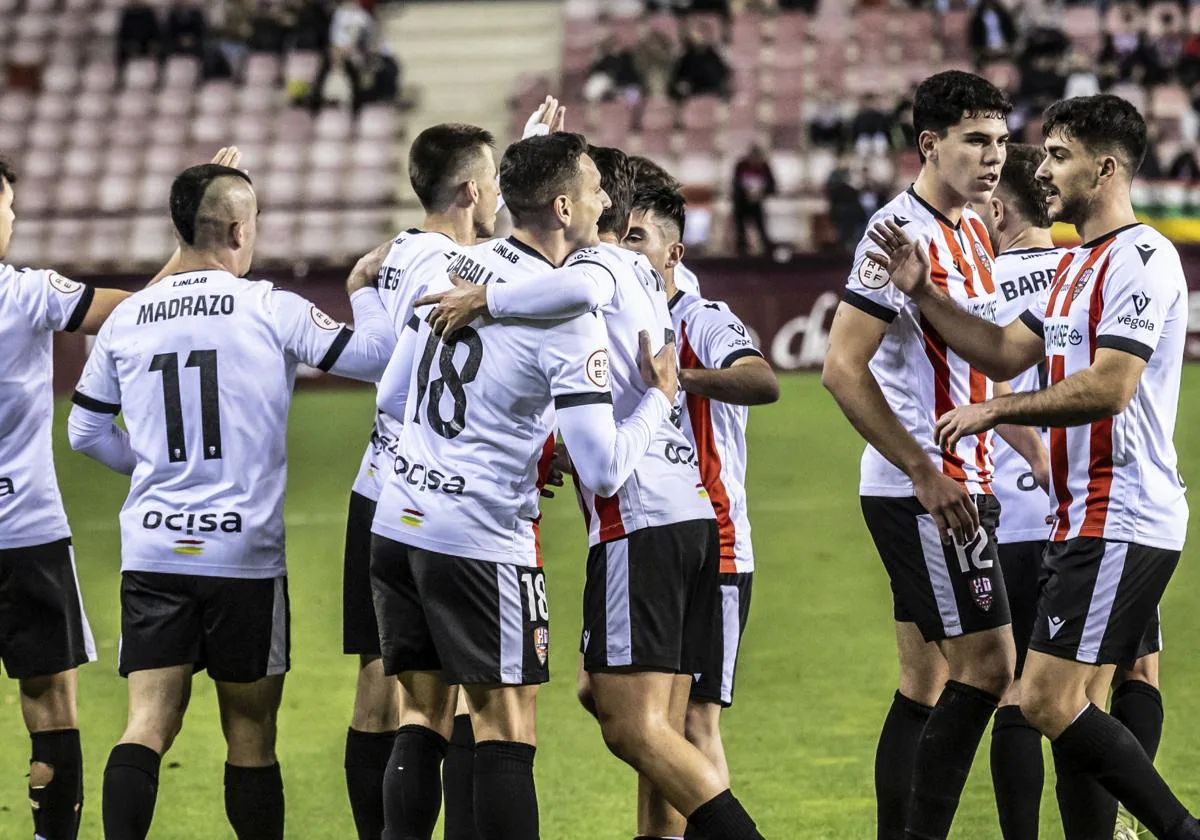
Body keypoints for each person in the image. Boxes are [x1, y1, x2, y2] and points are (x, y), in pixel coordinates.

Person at [864, 93, 1200, 840]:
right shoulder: (1073, 266)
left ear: (1105, 167)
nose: (1039, 170)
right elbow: (1002, 352)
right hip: (1080, 514)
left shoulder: (1142, 258)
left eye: (1058, 155)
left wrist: (998, 412)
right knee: (1070, 700)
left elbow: (1112, 384)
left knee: (1045, 699)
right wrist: (922, 293)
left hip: (1125, 509)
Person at [418, 145, 762, 840]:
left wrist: (488, 296)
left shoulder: (596, 265)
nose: (594, 199)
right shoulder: (640, 271)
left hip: (638, 520)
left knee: (632, 728)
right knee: (652, 725)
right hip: (682, 514)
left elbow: (575, 299)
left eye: (601, 190)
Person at [68, 160, 398, 840]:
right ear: (240, 228)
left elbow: (84, 430)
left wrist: (148, 473)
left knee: (146, 724)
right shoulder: (269, 307)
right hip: (241, 556)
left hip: (155, 546)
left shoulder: (130, 317)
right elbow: (375, 357)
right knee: (250, 735)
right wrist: (362, 288)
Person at [367, 131, 679, 840]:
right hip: (478, 536)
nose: (605, 201)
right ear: (565, 207)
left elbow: (391, 396)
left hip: (398, 517)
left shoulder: (453, 267)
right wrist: (659, 397)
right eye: (597, 188)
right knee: (507, 729)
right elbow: (602, 469)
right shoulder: (568, 317)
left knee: (422, 715)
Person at [821, 70, 1041, 840]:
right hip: (924, 493)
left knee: (926, 681)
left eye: (1002, 141)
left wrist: (1028, 445)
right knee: (993, 668)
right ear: (930, 144)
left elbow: (976, 370)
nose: (993, 157)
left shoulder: (974, 231)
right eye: (976, 140)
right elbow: (841, 370)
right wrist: (923, 470)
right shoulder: (896, 233)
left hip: (959, 482)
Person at [340, 121, 500, 840]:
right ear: (471, 190)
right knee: (464, 695)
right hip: (437, 493)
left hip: (373, 489)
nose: (499, 192)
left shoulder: (401, 251)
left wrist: (357, 288)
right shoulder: (466, 272)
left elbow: (377, 351)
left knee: (380, 685)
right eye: (494, 180)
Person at [623, 182, 780, 838]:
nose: (625, 248)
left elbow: (762, 380)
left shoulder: (701, 317)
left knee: (691, 722)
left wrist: (677, 377)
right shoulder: (623, 314)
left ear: (672, 252)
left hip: (715, 543)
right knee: (642, 714)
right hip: (656, 538)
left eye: (637, 237)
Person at [0, 158, 131, 840]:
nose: (13, 218)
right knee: (51, 703)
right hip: (25, 533)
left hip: (29, 534)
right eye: (8, 206)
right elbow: (135, 310)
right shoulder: (24, 294)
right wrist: (192, 249)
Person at [976, 142, 1060, 840]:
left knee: (1015, 690)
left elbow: (987, 394)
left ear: (999, 206)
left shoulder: (982, 285)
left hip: (1008, 518)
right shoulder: (1087, 271)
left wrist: (1036, 460)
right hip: (1099, 511)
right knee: (1118, 679)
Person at [309, 0, 376, 117]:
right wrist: (336, 51)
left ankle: (356, 108)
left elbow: (364, 41)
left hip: (354, 54)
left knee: (356, 70)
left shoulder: (362, 17)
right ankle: (317, 106)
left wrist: (348, 50)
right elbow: (333, 37)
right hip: (337, 52)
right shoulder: (338, 13)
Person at [731, 146, 776, 257]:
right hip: (741, 202)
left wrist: (761, 194)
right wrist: (746, 194)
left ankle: (766, 249)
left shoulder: (765, 167)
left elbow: (772, 186)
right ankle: (742, 249)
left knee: (760, 224)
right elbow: (735, 184)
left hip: (757, 203)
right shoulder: (741, 166)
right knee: (740, 225)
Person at [670, 19, 730, 101]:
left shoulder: (714, 57)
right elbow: (678, 80)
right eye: (698, 33)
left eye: (704, 33)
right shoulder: (685, 57)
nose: (701, 36)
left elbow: (718, 80)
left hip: (710, 97)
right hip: (689, 98)